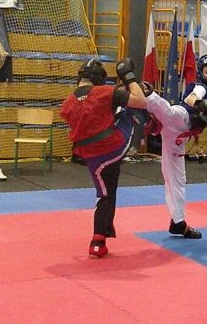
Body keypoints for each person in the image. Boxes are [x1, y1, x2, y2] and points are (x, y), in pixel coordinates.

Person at [60, 57, 146, 258]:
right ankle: (152, 124)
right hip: (111, 147)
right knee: (135, 111)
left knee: (106, 192)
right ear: (99, 79)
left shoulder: (66, 104)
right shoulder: (105, 92)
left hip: (88, 155)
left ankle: (99, 240)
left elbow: (87, 114)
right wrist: (128, 77)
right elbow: (140, 100)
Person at [143, 54, 207, 239]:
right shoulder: (200, 87)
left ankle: (178, 222)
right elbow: (191, 99)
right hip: (183, 117)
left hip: (179, 137)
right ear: (202, 74)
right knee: (170, 113)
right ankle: (147, 94)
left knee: (177, 178)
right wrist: (202, 106)